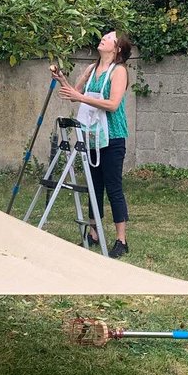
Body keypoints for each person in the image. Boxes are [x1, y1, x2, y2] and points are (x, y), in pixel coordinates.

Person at [54, 31, 132, 258]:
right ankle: (94, 233)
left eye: (109, 38)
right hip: (92, 136)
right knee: (93, 185)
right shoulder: (91, 69)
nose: (103, 39)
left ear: (116, 49)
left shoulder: (119, 71)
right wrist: (62, 80)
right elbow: (74, 94)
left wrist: (80, 98)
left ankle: (121, 240)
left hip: (114, 136)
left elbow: (113, 104)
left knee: (113, 187)